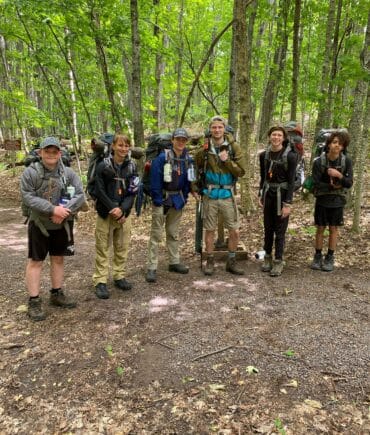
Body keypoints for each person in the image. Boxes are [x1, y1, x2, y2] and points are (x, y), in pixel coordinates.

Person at [20, 136, 85, 321]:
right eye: (46, 151)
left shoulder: (69, 173)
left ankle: (56, 293)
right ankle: (34, 300)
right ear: (40, 153)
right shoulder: (30, 173)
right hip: (39, 223)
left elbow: (80, 194)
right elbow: (28, 197)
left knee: (58, 258)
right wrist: (52, 209)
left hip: (62, 222)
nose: (50, 154)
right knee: (36, 261)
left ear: (59, 153)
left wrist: (63, 212)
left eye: (54, 151)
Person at [194, 116, 246, 276]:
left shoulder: (233, 147)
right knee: (209, 230)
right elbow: (197, 171)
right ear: (210, 129)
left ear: (224, 129)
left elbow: (241, 171)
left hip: (227, 194)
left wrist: (227, 161)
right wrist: (195, 188)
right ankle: (209, 260)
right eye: (214, 127)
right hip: (209, 194)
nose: (217, 130)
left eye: (220, 127)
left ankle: (231, 261)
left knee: (234, 230)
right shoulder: (203, 150)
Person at [93, 133, 139, 299]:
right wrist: (113, 208)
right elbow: (99, 190)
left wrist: (123, 210)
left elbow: (133, 191)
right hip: (105, 213)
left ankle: (119, 275)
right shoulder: (102, 165)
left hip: (124, 214)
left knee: (122, 246)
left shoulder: (132, 166)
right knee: (103, 247)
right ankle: (100, 281)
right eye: (120, 145)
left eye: (126, 146)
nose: (123, 149)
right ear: (113, 146)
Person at [145, 128, 193, 283]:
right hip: (162, 199)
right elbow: (155, 180)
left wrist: (184, 197)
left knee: (173, 233)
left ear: (186, 142)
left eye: (183, 140)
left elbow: (188, 181)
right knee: (156, 234)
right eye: (178, 139)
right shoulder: (161, 158)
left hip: (177, 200)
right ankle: (152, 267)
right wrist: (157, 199)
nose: (180, 142)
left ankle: (174, 262)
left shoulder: (187, 159)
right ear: (172, 140)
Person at [310, 130, 353, 272]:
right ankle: (317, 256)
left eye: (340, 144)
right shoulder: (319, 161)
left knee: (333, 229)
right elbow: (315, 183)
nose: (337, 146)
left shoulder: (346, 161)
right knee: (320, 228)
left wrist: (339, 175)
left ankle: (330, 257)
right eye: (334, 142)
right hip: (322, 199)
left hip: (338, 200)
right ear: (329, 144)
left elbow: (349, 182)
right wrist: (330, 186)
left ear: (343, 147)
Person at [258, 126, 298, 277]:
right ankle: (267, 258)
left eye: (279, 135)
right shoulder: (264, 156)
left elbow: (291, 180)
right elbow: (263, 177)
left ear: (283, 138)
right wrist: (260, 194)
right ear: (269, 136)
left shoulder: (291, 156)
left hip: (282, 196)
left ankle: (278, 261)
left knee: (280, 231)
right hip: (268, 194)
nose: (276, 138)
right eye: (273, 135)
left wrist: (288, 203)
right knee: (268, 229)